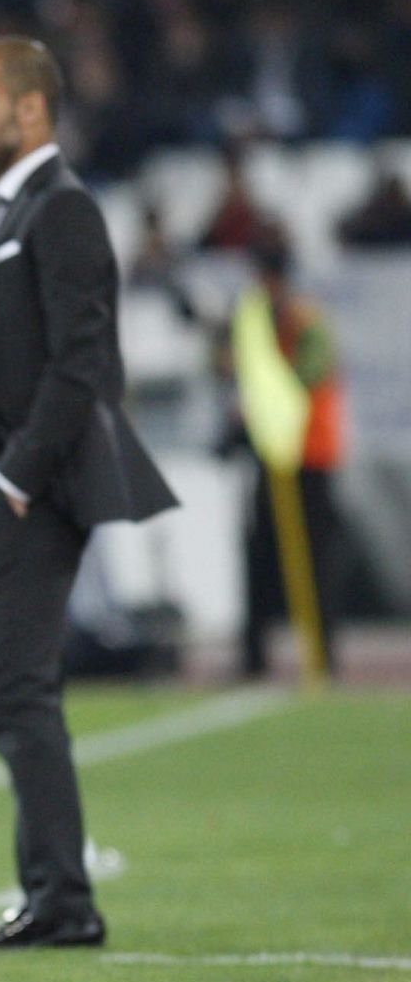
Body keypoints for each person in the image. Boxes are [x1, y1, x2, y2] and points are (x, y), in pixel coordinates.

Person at [0, 36, 177, 950]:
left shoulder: (61, 209)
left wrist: (13, 477)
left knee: (16, 694)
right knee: (12, 695)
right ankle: (55, 895)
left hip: (23, 491)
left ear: (31, 109)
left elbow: (85, 364)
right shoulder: (17, 208)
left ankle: (62, 902)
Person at [222, 232, 346, 679]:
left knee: (314, 559)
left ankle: (323, 658)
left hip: (310, 454)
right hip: (273, 453)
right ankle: (254, 656)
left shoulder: (305, 320)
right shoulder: (258, 322)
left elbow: (309, 373)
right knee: (261, 556)